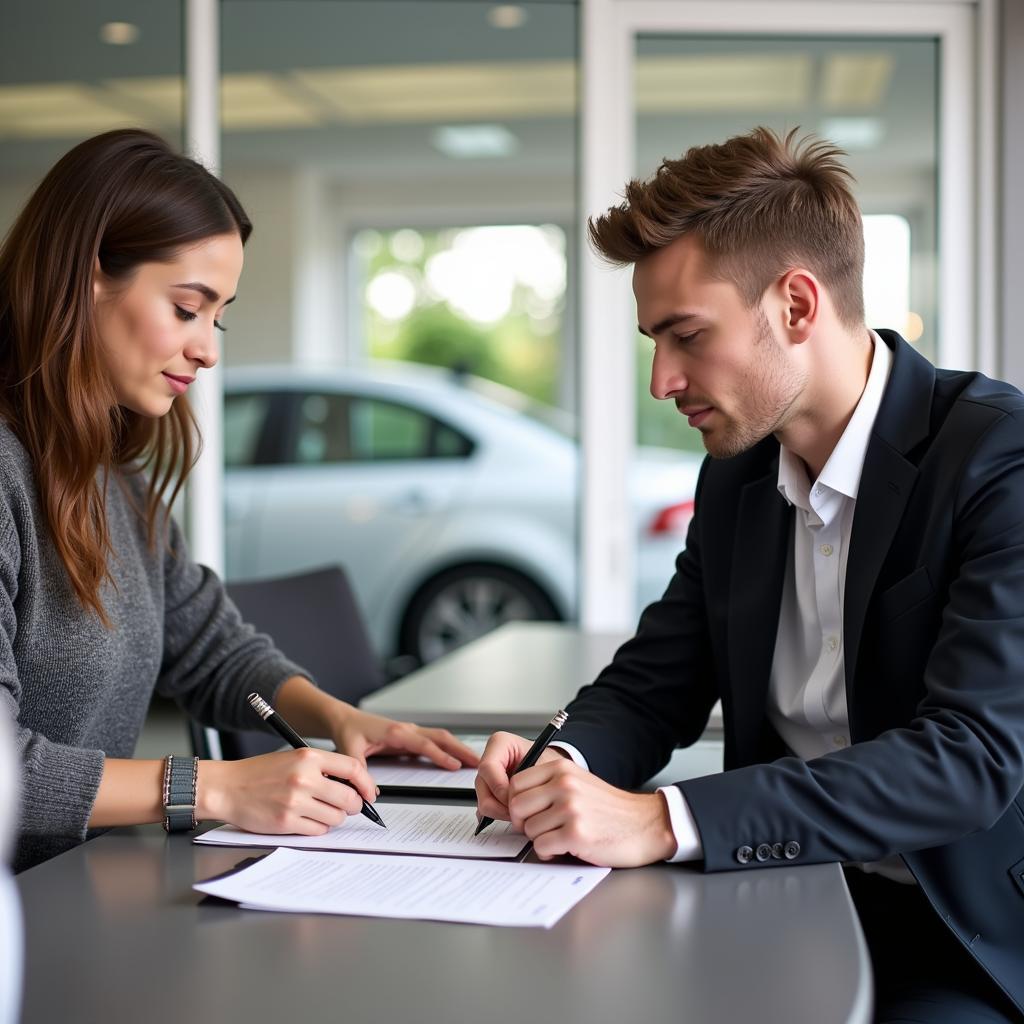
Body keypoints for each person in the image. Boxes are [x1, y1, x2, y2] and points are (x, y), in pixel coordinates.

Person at [476, 128, 1024, 1022]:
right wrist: (560, 765)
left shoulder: (998, 458)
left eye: (686, 336)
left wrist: (661, 820)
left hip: (955, 928)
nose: (661, 379)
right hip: (773, 896)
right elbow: (655, 687)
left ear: (797, 306)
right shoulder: (736, 476)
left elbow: (968, 760)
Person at [1, 129, 477, 875]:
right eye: (187, 307)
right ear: (88, 275)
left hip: (68, 893)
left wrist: (341, 720)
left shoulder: (114, 477)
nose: (209, 349)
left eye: (216, 317)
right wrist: (214, 787)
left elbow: (210, 650)